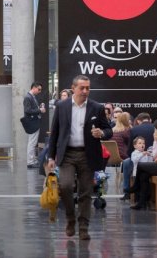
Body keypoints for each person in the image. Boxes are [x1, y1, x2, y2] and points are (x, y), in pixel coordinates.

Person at [47, 75, 112, 240]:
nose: (85, 91)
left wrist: (102, 133)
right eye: (82, 88)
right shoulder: (61, 106)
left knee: (85, 192)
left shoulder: (96, 107)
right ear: (73, 88)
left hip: (87, 154)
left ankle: (83, 227)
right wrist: (50, 157)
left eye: (88, 88)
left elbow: (108, 129)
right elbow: (54, 132)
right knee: (66, 186)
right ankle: (70, 219)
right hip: (67, 153)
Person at [129, 119, 157, 210]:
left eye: (155, 129)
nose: (154, 131)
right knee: (144, 174)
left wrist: (155, 140)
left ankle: (135, 187)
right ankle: (141, 203)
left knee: (141, 165)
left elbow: (155, 154)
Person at [24, 82, 46, 168]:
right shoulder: (28, 97)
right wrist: (40, 110)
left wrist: (38, 108)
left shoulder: (31, 97)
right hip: (32, 122)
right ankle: (30, 162)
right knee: (32, 142)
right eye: (39, 89)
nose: (39, 91)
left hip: (34, 122)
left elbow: (30, 109)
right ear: (34, 87)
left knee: (33, 142)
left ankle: (32, 160)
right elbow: (27, 110)